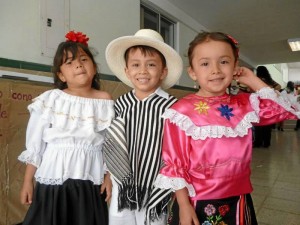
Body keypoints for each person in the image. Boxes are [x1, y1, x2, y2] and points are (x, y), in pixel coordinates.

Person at [154, 31, 300, 225]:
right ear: (193, 72)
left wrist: (252, 80)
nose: (215, 70)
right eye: (205, 63)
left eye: (223, 62)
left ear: (235, 67)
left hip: (239, 197)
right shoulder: (180, 112)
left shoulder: (245, 104)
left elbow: (285, 110)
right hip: (195, 200)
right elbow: (175, 164)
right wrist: (184, 204)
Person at [18, 31, 115, 225]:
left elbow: (111, 144)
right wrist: (28, 181)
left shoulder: (105, 101)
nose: (78, 64)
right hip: (53, 177)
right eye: (69, 62)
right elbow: (36, 144)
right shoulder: (51, 99)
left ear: (94, 68)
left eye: (83, 59)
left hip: (90, 179)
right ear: (61, 74)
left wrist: (109, 176)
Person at [104, 29, 183, 225]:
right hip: (123, 184)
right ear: (127, 71)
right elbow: (112, 143)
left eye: (151, 65)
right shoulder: (120, 104)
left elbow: (178, 150)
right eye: (136, 65)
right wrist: (107, 174)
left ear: (163, 72)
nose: (143, 71)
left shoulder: (173, 107)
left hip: (157, 186)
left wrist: (176, 185)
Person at [253, 65, 282, 147]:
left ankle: (258, 143)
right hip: (268, 104)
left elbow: (250, 89)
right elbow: (279, 86)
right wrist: (272, 91)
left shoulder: (257, 79)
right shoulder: (269, 80)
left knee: (258, 124)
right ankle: (266, 143)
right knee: (267, 124)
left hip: (259, 104)